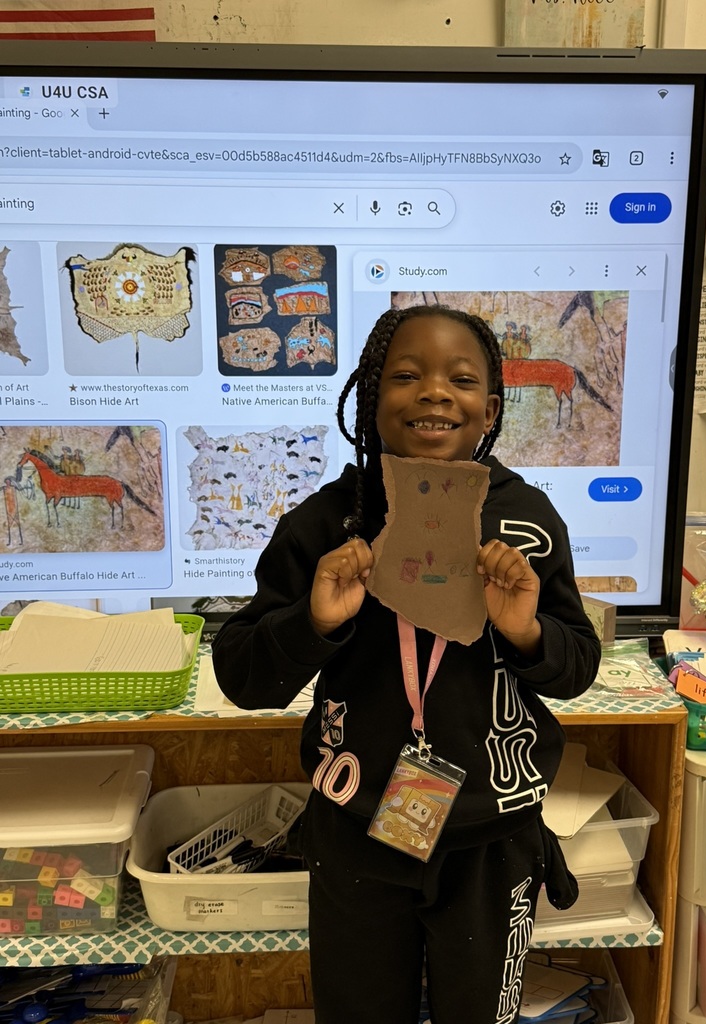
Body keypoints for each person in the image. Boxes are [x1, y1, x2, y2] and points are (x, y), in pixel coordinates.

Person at [211, 304, 601, 1024]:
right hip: (358, 830)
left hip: (493, 839)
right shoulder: (327, 525)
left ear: (489, 409)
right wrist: (316, 620)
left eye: (459, 378)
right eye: (405, 376)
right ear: (369, 398)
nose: (433, 392)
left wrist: (526, 631)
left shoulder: (529, 522)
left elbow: (577, 666)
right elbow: (243, 678)